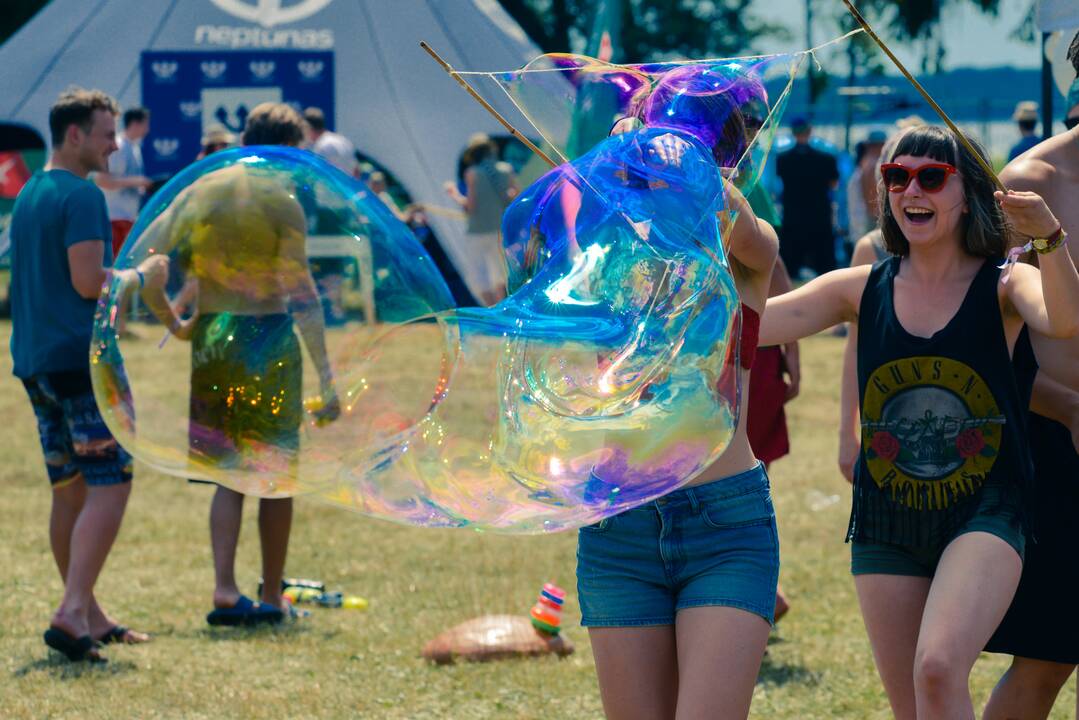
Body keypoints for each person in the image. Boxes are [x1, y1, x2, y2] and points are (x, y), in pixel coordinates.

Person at [760, 124, 1079, 718]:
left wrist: (1051, 238)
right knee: (913, 706)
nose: (913, 189)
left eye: (932, 177)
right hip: (887, 520)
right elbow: (753, 325)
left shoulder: (1007, 282)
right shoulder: (859, 286)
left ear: (969, 194)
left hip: (986, 507)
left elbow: (1063, 320)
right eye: (896, 175)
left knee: (936, 668)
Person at [577, 87, 780, 720]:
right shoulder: (606, 256)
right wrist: (620, 163)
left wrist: (670, 149)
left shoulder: (747, 248)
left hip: (725, 524)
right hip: (619, 524)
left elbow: (742, 229)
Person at [139, 102, 340, 625]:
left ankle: (224, 589)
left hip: (213, 341)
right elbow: (301, 292)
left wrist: (176, 324)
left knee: (226, 474)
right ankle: (272, 596)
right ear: (287, 148)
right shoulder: (283, 199)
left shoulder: (200, 188)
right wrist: (327, 377)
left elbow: (145, 262)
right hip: (265, 337)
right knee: (275, 476)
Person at [9, 88, 164, 662]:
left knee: (68, 490)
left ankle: (90, 613)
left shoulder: (29, 194)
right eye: (106, 133)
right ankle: (72, 612)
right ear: (74, 135)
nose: (115, 145)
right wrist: (142, 276)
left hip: (35, 362)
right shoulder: (81, 195)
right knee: (111, 483)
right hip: (79, 360)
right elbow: (87, 282)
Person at [983, 32, 1079, 720]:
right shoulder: (1032, 183)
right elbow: (988, 338)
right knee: (1044, 659)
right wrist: (1066, 407)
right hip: (1057, 451)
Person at [443, 133, 519, 306]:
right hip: (499, 230)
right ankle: (502, 308)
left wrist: (453, 193)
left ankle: (491, 309)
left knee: (478, 275)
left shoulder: (472, 173)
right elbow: (515, 197)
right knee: (500, 273)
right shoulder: (506, 169)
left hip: (478, 231)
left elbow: (470, 207)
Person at [775, 116, 839, 278]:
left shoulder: (783, 159)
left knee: (790, 269)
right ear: (810, 131)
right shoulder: (826, 158)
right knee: (825, 269)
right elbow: (834, 185)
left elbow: (779, 184)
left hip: (793, 217)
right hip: (820, 216)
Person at [94, 106, 152, 257]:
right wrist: (136, 181)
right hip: (113, 219)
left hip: (128, 218)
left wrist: (141, 186)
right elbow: (102, 180)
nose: (147, 130)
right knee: (113, 270)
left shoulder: (135, 148)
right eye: (145, 124)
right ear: (135, 124)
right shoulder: (117, 146)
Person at [846, 130, 887, 241]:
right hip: (870, 223)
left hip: (860, 223)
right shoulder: (873, 165)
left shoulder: (864, 163)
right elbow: (873, 206)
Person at [303, 106, 359, 177]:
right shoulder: (343, 140)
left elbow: (319, 175)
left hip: (335, 187)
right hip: (348, 186)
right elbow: (356, 171)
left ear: (308, 127)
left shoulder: (321, 146)